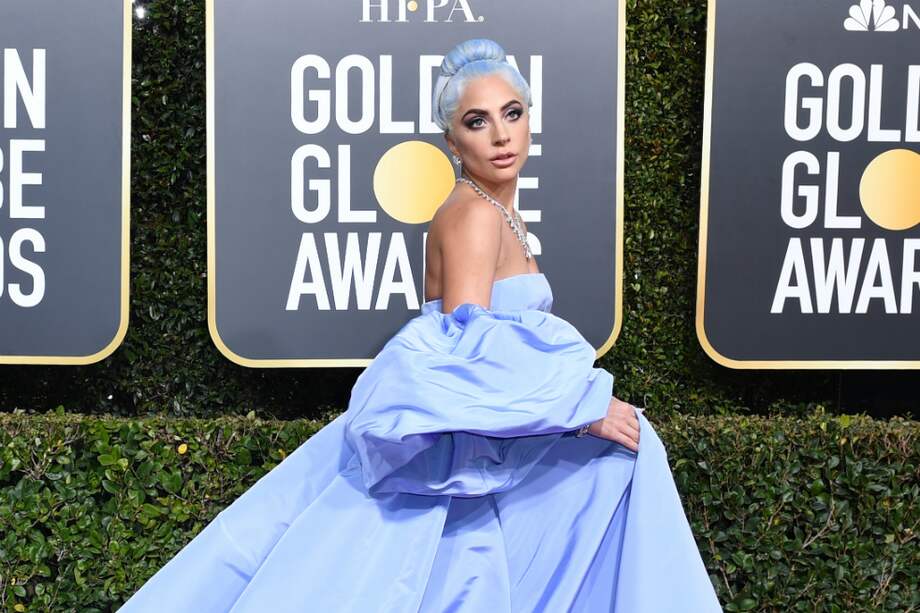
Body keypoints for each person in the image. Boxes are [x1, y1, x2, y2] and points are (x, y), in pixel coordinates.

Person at [118, 38, 723, 612]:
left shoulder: (496, 211)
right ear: (451, 141)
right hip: (458, 452)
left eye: (512, 113)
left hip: (486, 435)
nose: (501, 134)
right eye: (477, 121)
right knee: (616, 470)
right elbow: (468, 353)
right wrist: (581, 409)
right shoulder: (473, 217)